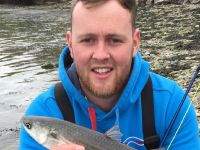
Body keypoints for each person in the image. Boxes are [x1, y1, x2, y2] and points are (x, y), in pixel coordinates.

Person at [19, 0, 200, 149]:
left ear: (135, 43)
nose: (100, 55)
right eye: (87, 40)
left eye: (114, 40)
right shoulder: (45, 110)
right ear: (71, 44)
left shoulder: (172, 105)